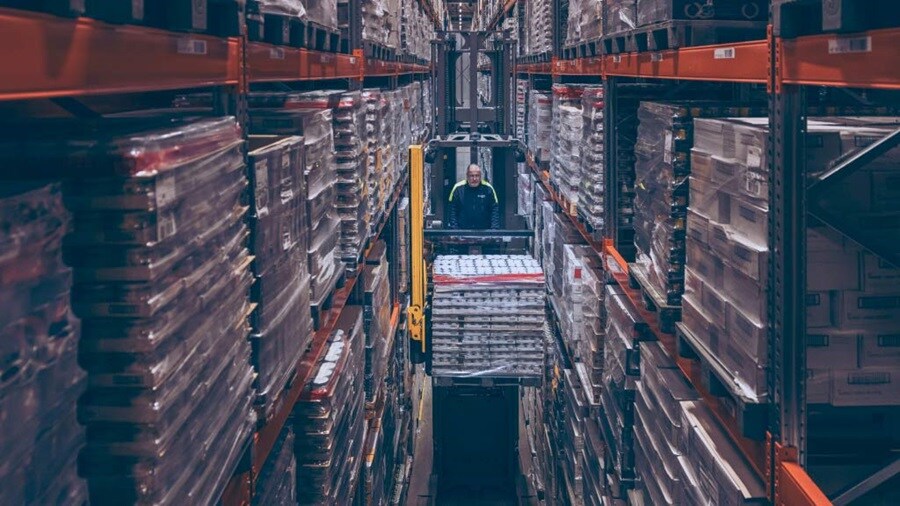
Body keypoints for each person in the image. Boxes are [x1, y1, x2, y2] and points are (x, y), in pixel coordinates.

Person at [447, 164, 501, 230]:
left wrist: (494, 230)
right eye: (471, 176)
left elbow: (494, 209)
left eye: (477, 176)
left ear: (480, 176)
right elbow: (452, 210)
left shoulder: (488, 189)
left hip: (484, 231)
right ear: (467, 176)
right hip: (462, 232)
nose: (474, 179)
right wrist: (455, 230)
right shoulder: (458, 189)